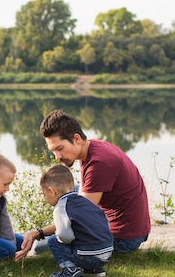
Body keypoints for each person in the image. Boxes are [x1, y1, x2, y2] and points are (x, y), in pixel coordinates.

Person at [15, 109, 150, 261]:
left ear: (77, 138)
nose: (57, 157)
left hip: (124, 238)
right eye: (53, 151)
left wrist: (39, 233)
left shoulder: (99, 164)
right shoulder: (91, 148)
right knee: (68, 192)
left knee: (40, 248)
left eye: (60, 149)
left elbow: (78, 218)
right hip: (132, 226)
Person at [38, 164, 113, 277]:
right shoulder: (86, 202)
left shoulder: (61, 206)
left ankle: (71, 272)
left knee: (53, 241)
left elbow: (64, 236)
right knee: (84, 237)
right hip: (106, 254)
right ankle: (95, 270)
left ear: (51, 191)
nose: (45, 198)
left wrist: (65, 239)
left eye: (44, 194)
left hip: (88, 256)